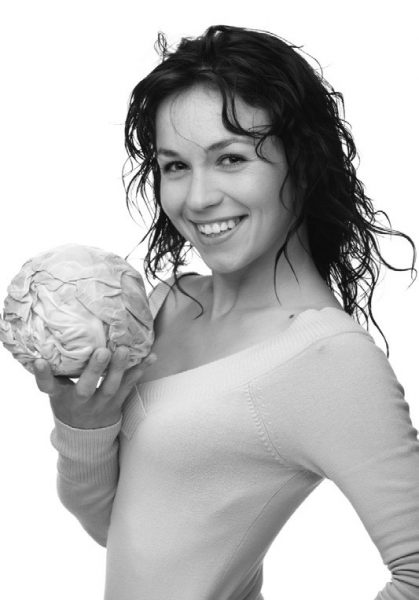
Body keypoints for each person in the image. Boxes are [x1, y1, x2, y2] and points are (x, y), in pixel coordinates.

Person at [34, 24, 419, 600]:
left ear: (303, 162)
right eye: (175, 166)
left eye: (231, 158)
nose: (197, 198)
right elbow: (120, 529)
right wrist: (84, 427)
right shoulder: (161, 305)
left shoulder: (327, 357)